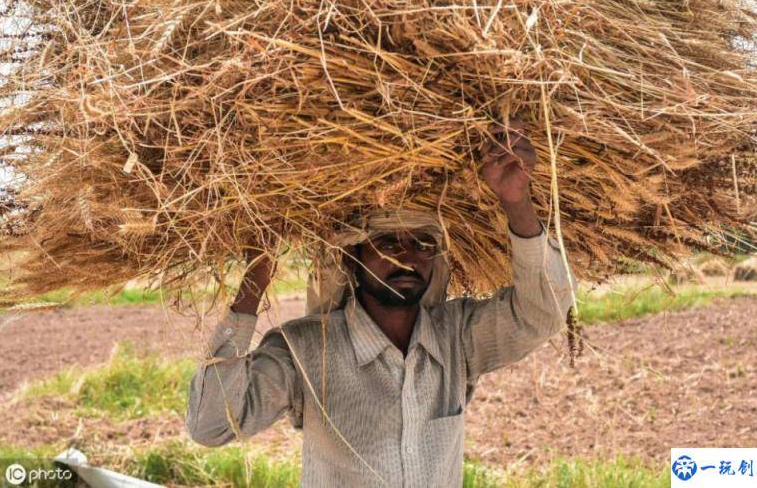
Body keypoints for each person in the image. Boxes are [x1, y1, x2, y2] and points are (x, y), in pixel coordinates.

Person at [186, 121, 577, 486]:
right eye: (387, 243)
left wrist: (516, 201)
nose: (407, 258)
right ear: (351, 259)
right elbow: (211, 426)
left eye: (422, 244)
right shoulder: (306, 350)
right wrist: (255, 278)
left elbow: (543, 313)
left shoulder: (457, 338)